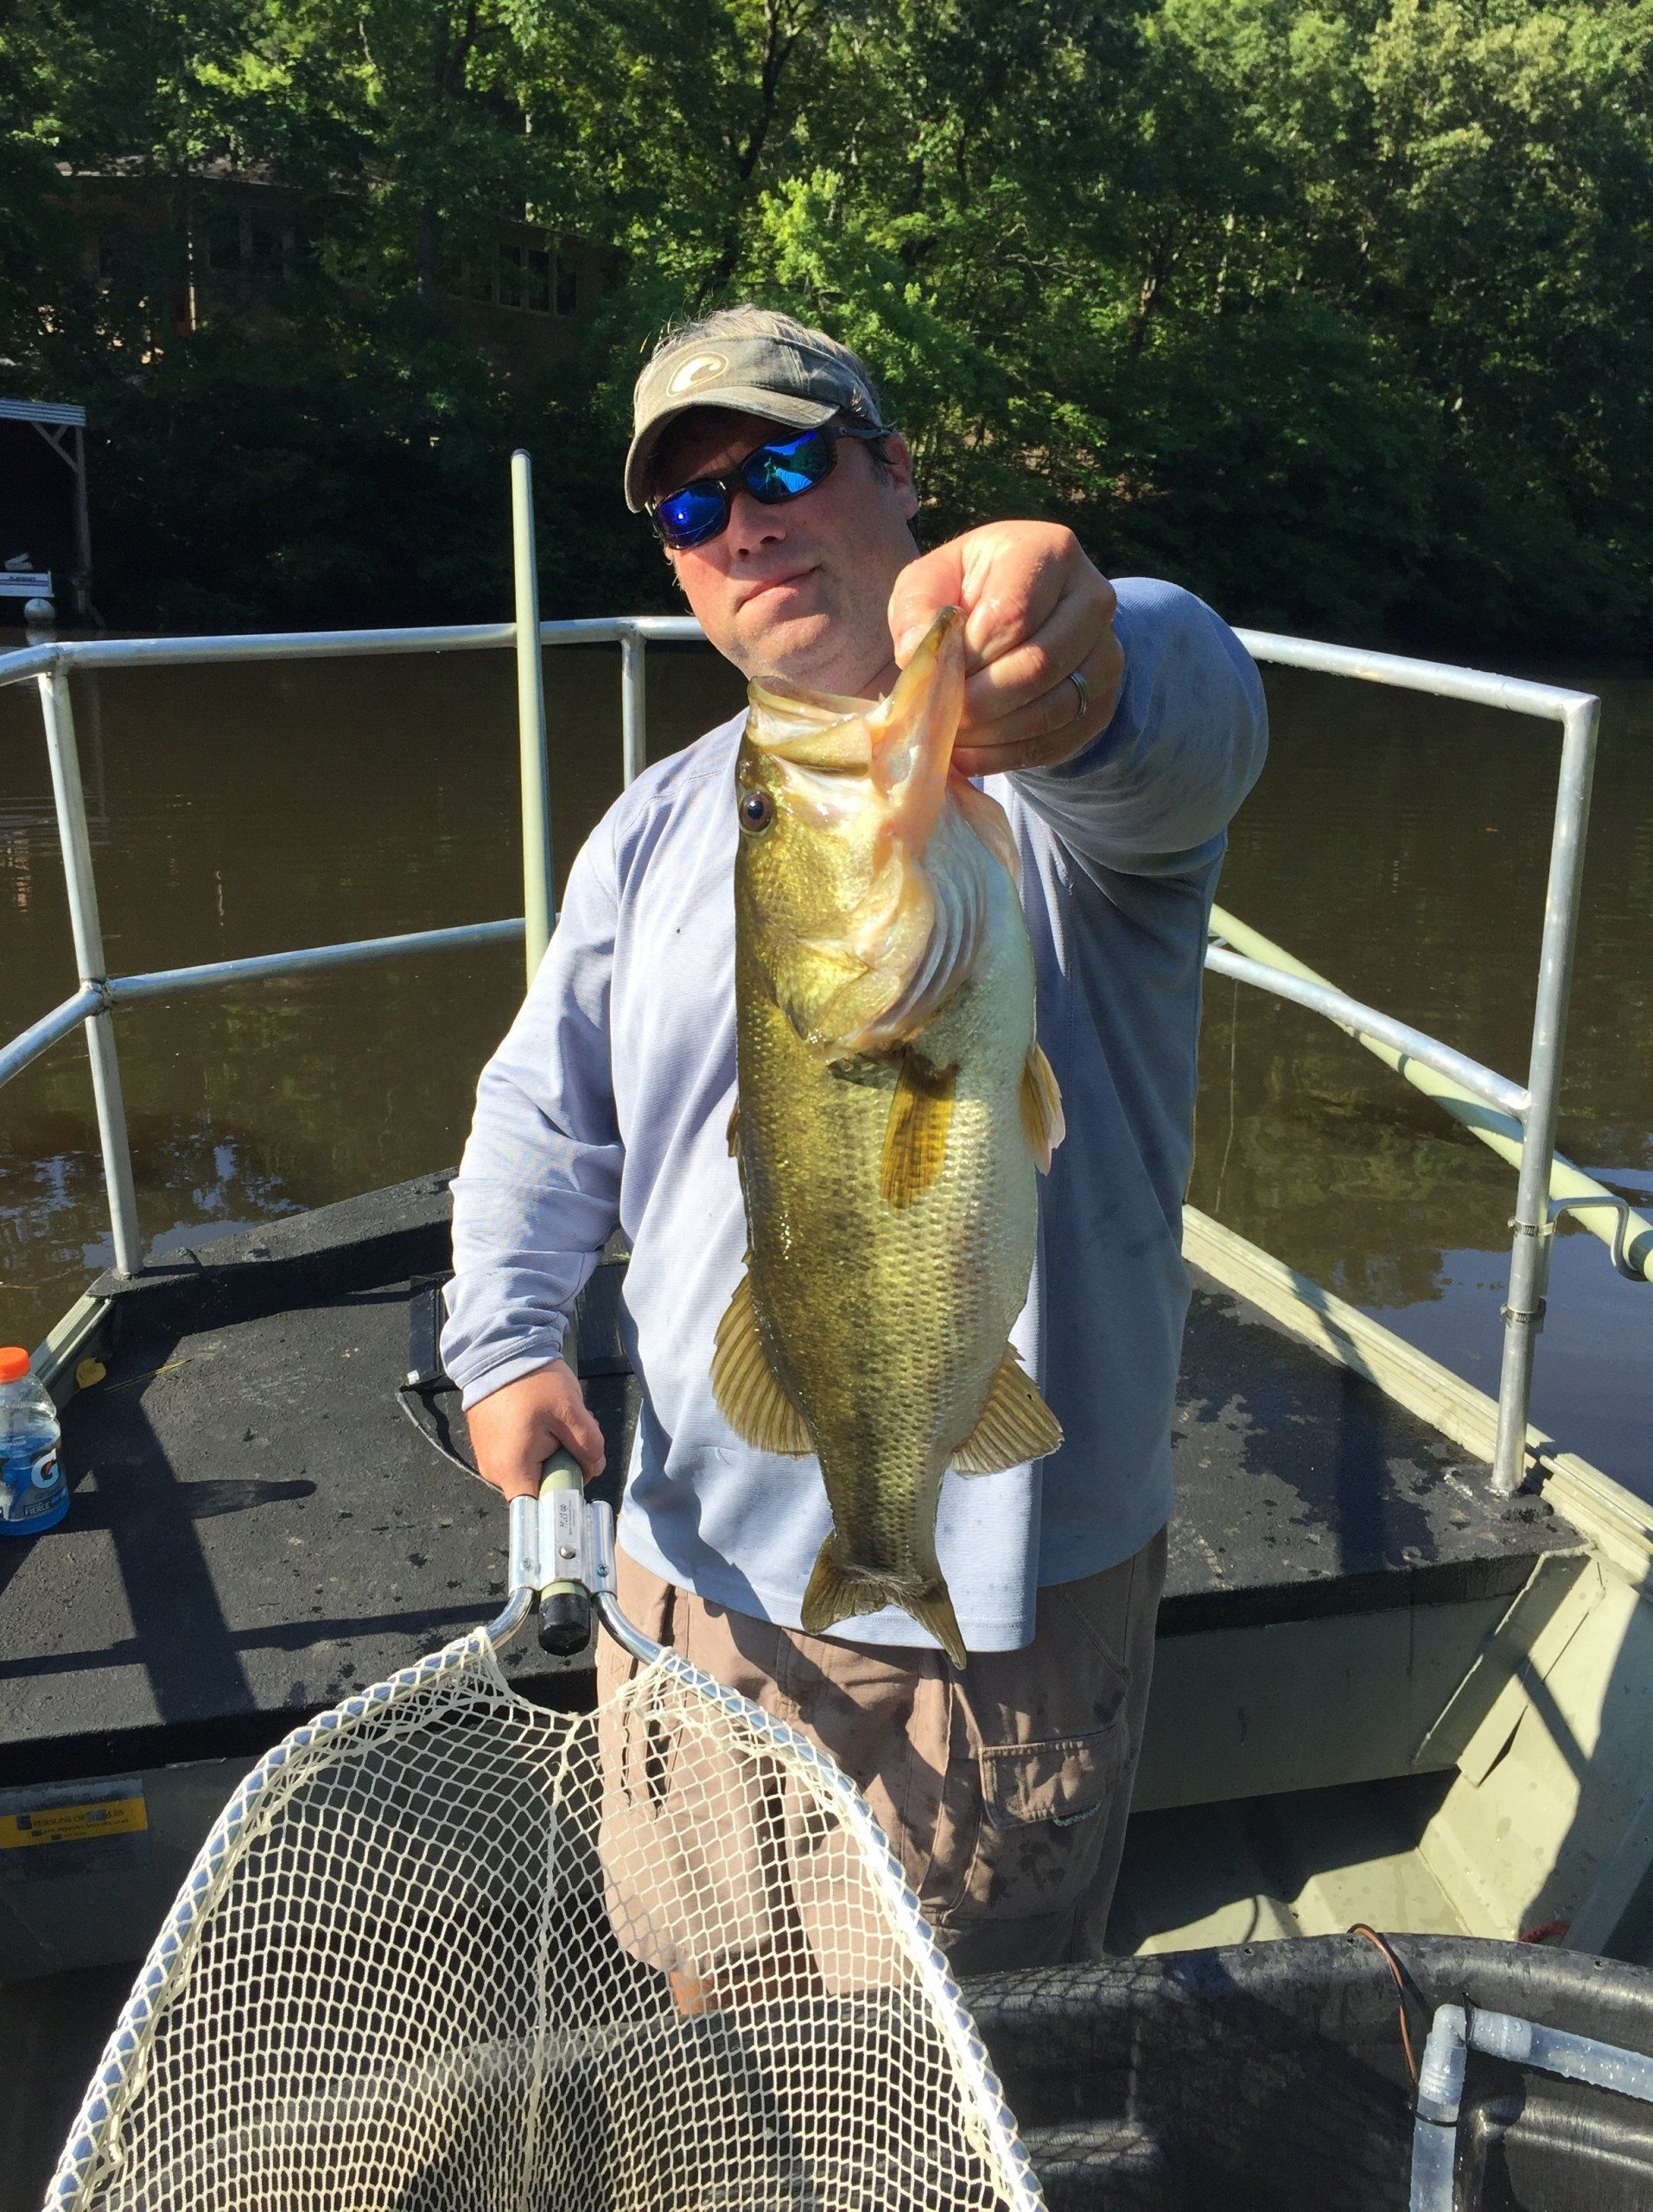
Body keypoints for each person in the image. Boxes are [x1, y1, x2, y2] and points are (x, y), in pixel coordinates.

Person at [442, 305, 1267, 1974]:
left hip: (1003, 1625)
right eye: (688, 507)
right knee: (710, 2024)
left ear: (897, 474)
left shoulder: (1032, 789)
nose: (740, 523)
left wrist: (1085, 659)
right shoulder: (665, 819)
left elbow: (1180, 729)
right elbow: (543, 1101)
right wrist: (506, 1341)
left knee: (965, 2069)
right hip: (685, 1589)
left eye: (786, 464)